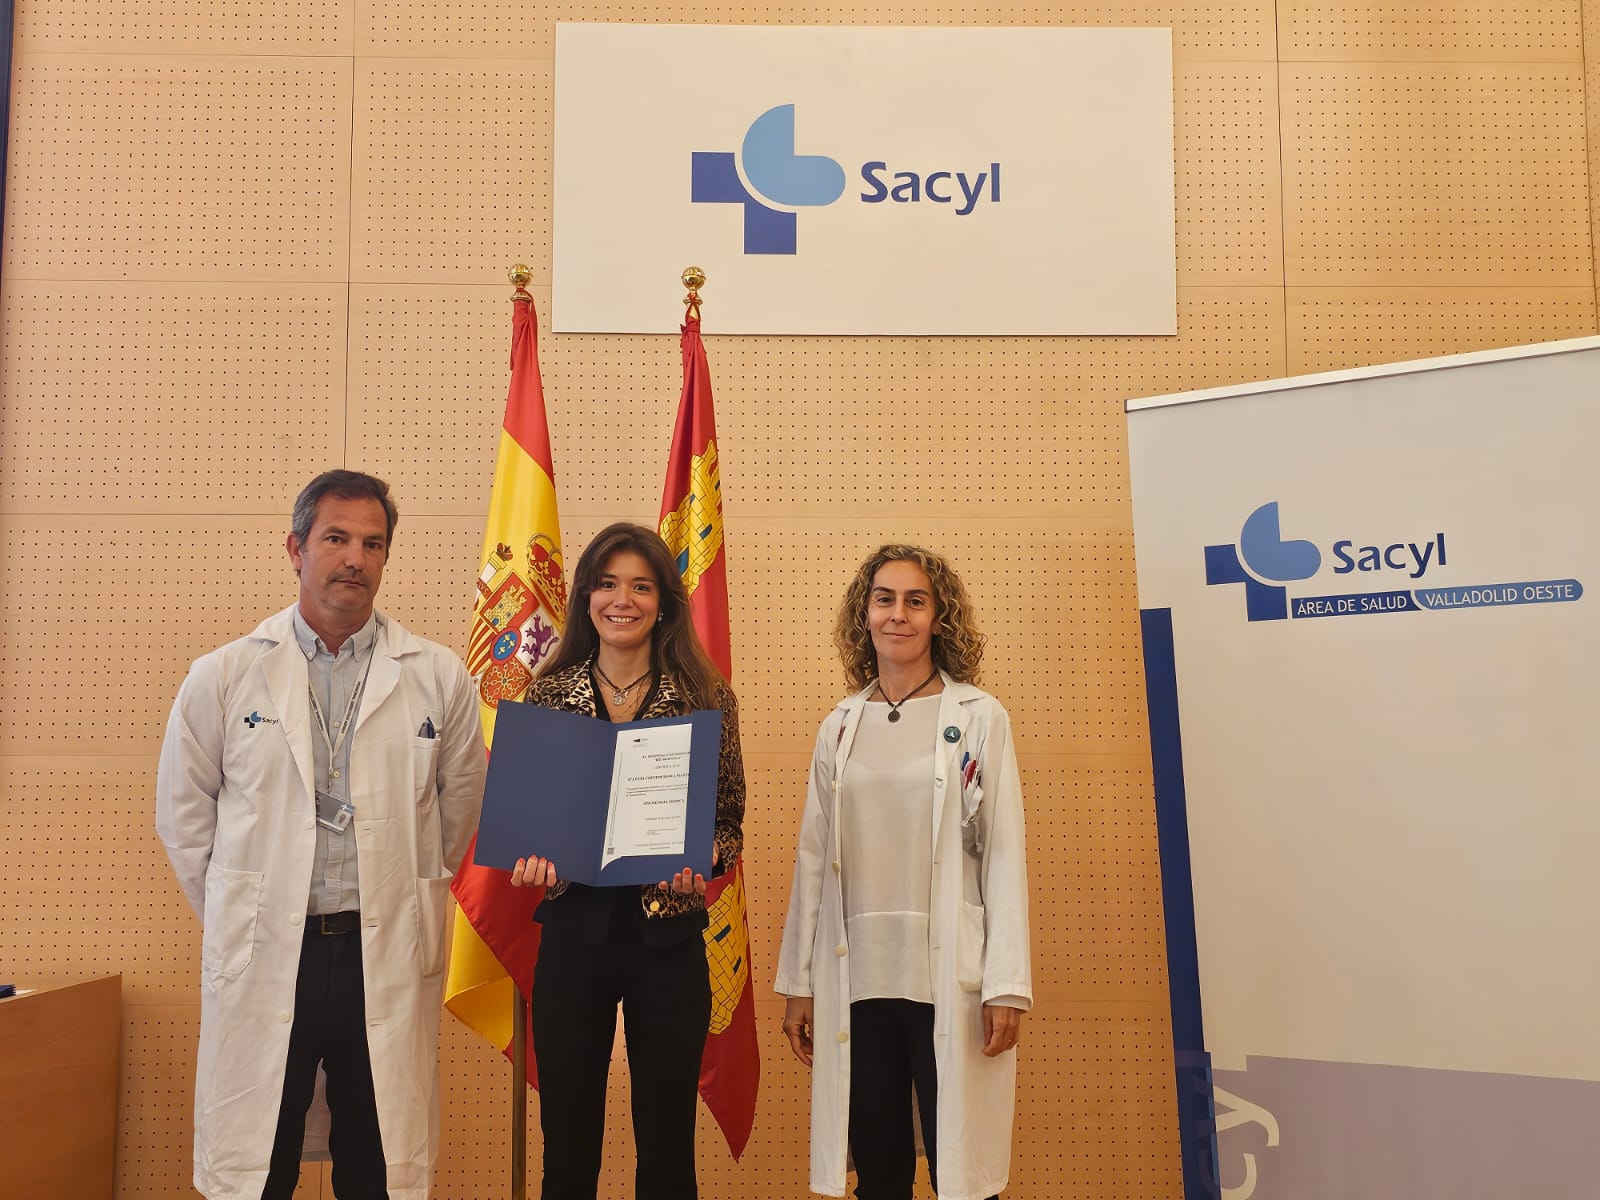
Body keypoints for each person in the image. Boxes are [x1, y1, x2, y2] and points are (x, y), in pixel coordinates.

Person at [156, 470, 487, 1200]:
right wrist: (244, 913)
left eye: (373, 544)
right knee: (260, 1162)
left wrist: (399, 893)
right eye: (336, 539)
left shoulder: (437, 677)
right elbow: (184, 819)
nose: (354, 559)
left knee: (375, 1159)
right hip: (272, 947)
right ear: (296, 549)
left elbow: (457, 813)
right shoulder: (225, 674)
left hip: (381, 947)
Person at [776, 544, 1033, 1200]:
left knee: (960, 1177)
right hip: (860, 979)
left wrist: (1006, 984)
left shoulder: (979, 718)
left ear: (939, 618)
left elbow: (1003, 853)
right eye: (884, 600)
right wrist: (799, 983)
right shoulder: (840, 726)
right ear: (864, 615)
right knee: (880, 1173)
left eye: (916, 601)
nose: (898, 615)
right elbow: (813, 860)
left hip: (948, 977)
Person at [508, 522, 746, 1200]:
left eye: (641, 587)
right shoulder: (546, 696)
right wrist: (529, 859)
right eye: (608, 584)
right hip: (572, 938)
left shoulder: (706, 696)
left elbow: (729, 821)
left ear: (664, 602)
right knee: (568, 1148)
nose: (623, 600)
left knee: (668, 1152)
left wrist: (706, 855)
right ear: (585, 596)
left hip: (668, 941)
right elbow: (528, 826)